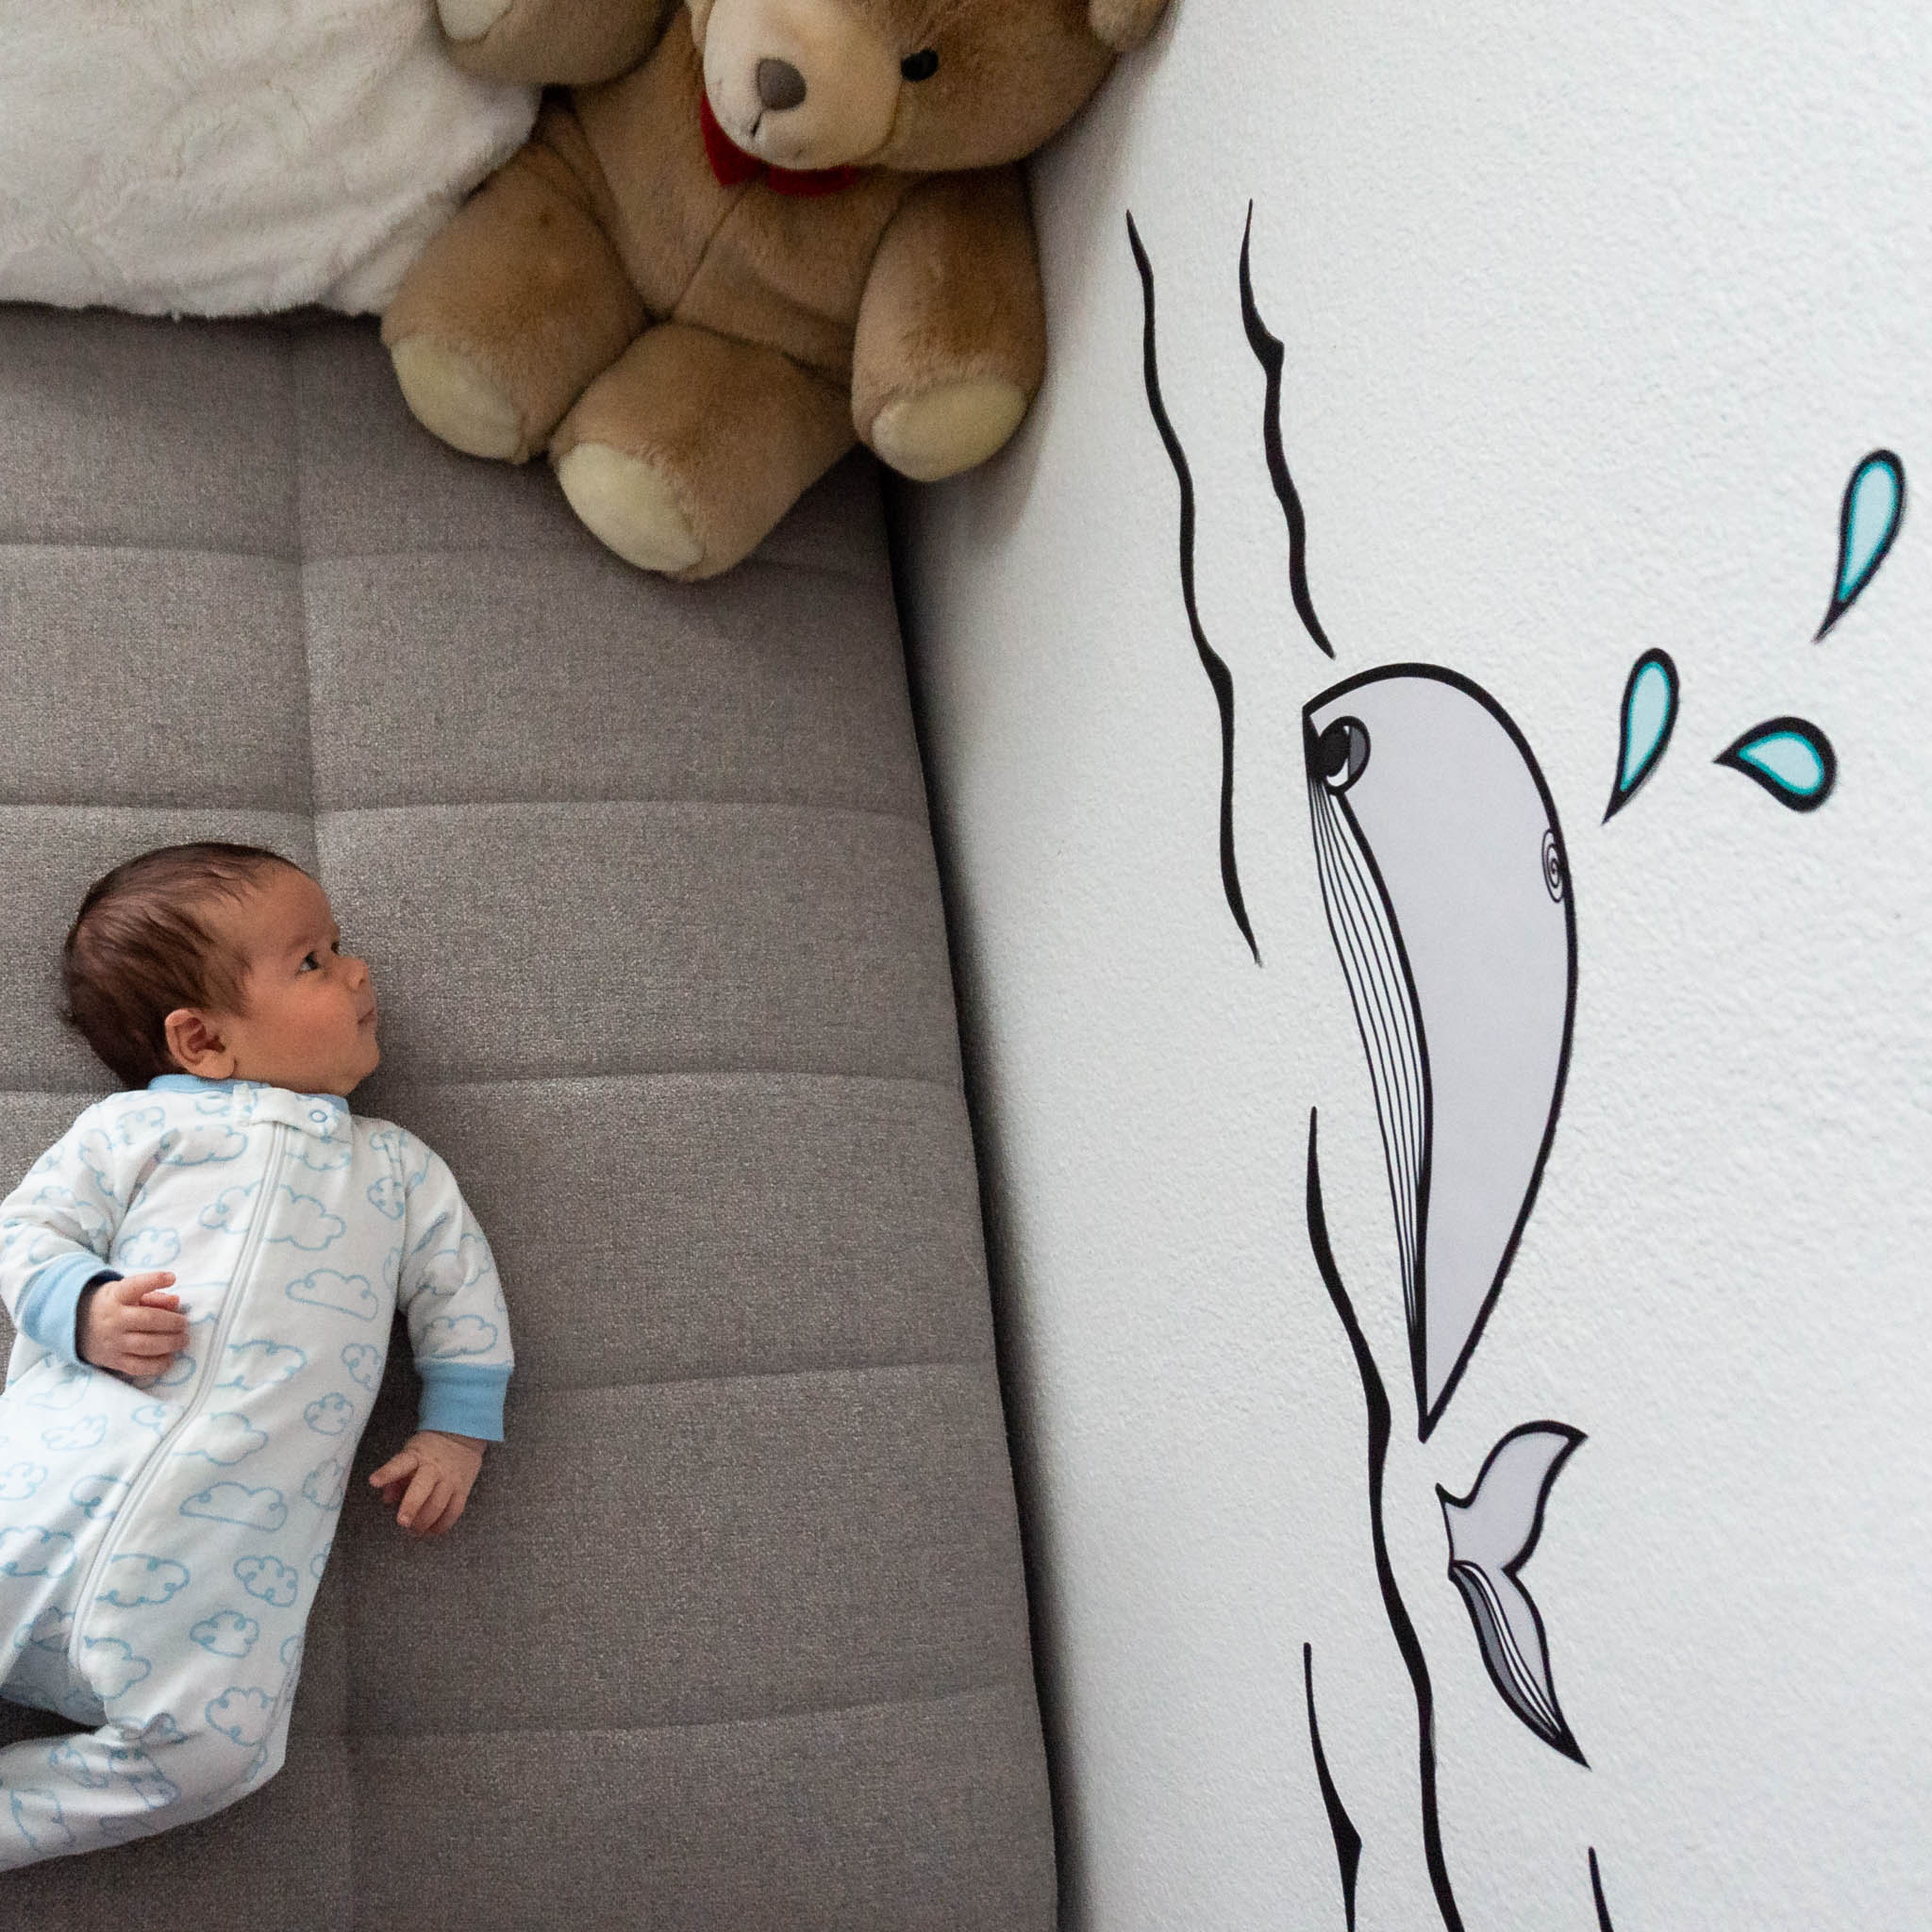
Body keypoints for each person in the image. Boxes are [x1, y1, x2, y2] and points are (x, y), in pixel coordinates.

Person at [0, 842, 512, 1867]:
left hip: (213, 1579)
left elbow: (461, 1295)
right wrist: (86, 1306)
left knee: (220, 1757)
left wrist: (455, 1430)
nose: (360, 970)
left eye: (338, 946)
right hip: (39, 1496)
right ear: (200, 1039)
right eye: (314, 961)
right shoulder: (132, 1130)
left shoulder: (398, 1169)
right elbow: (27, 1232)